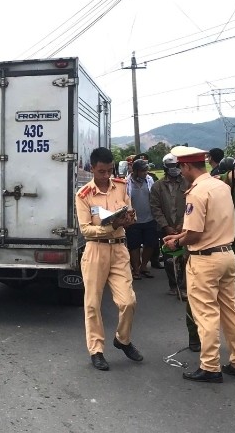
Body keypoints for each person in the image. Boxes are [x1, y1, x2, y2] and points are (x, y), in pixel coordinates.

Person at [163, 146, 235, 383]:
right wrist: (179, 237)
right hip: (227, 254)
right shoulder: (221, 186)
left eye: (181, 167)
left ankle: (210, 366)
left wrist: (175, 242)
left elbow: (194, 234)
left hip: (205, 259)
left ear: (186, 166)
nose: (180, 172)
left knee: (206, 314)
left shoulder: (197, 192)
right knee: (231, 310)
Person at [74, 147, 142, 371]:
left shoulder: (121, 187)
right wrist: (112, 225)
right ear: (92, 168)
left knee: (128, 301)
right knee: (92, 303)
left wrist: (129, 219)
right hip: (95, 251)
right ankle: (96, 350)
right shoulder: (83, 194)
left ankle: (122, 340)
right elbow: (86, 230)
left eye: (109, 171)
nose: (105, 176)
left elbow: (131, 213)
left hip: (119, 249)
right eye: (101, 171)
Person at [149, 153, 189, 297]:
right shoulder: (157, 186)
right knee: (169, 258)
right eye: (172, 166)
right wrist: (166, 226)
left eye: (177, 166)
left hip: (184, 228)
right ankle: (173, 285)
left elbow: (192, 205)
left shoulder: (187, 183)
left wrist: (182, 224)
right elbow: (155, 208)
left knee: (185, 257)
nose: (175, 169)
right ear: (166, 167)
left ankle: (183, 286)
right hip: (166, 228)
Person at [125, 159, 158, 280]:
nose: (145, 173)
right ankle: (136, 269)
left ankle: (144, 266)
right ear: (135, 171)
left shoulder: (149, 180)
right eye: (142, 171)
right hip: (134, 220)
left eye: (146, 170)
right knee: (134, 246)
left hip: (149, 218)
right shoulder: (127, 182)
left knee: (150, 243)